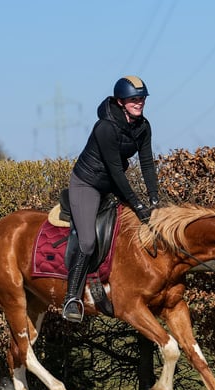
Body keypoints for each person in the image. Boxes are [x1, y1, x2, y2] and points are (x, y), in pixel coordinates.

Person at [62, 75, 161, 322]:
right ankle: (72, 298)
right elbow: (116, 172)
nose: (139, 103)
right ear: (120, 101)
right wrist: (138, 204)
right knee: (87, 241)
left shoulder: (143, 126)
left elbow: (147, 163)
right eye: (133, 99)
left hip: (111, 186)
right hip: (87, 185)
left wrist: (155, 199)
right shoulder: (105, 127)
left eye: (141, 99)